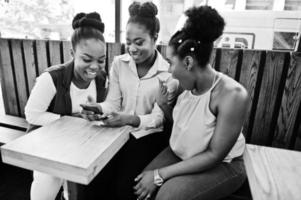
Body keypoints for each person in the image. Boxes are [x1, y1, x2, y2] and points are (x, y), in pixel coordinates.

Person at [134, 5, 249, 200]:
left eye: (171, 62)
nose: (170, 70)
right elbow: (186, 123)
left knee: (167, 197)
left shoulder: (233, 95)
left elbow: (214, 155)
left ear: (188, 62)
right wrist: (163, 105)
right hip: (180, 153)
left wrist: (160, 175)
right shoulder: (183, 86)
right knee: (139, 186)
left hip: (224, 165)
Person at [80, 2, 178, 200]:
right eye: (128, 41)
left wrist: (128, 119)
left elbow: (159, 118)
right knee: (94, 182)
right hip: (118, 133)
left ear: (155, 38)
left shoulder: (168, 73)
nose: (132, 48)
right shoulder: (119, 63)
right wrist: (98, 108)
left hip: (148, 137)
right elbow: (113, 104)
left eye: (139, 42)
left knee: (124, 189)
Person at [24, 12, 107, 200]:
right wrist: (70, 120)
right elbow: (32, 114)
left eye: (101, 60)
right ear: (72, 53)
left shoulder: (101, 79)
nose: (94, 67)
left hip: (82, 143)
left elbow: (103, 109)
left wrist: (99, 112)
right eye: (87, 59)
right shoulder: (52, 78)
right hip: (48, 144)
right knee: (48, 181)